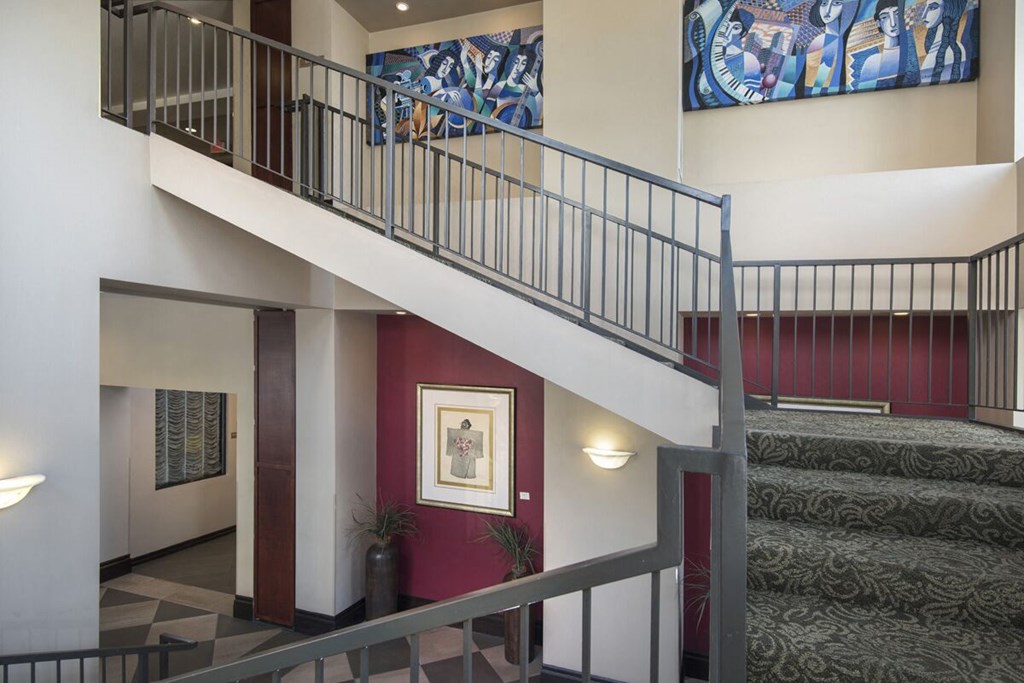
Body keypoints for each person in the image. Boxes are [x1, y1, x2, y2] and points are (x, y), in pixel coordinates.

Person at [804, 0, 856, 96]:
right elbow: (813, 87)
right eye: (824, 4)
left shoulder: (850, 40)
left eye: (836, 3)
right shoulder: (819, 42)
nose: (827, 10)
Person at [855, 0, 903, 90]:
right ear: (878, 23)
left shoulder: (911, 54)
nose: (893, 23)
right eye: (885, 17)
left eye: (897, 14)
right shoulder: (872, 62)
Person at [917, 0, 967, 85]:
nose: (923, 16)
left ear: (948, 9)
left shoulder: (954, 52)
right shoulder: (934, 46)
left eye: (932, 8)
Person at [721, 7, 762, 92]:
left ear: (743, 33)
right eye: (726, 25)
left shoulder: (748, 61)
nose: (727, 33)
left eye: (735, 28)